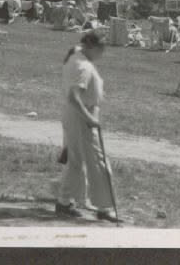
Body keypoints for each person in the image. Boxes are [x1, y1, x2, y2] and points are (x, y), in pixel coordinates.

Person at [56, 32, 117, 221]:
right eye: (101, 48)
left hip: (75, 115)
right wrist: (90, 118)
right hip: (81, 117)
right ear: (92, 47)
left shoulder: (77, 55)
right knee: (98, 162)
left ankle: (64, 202)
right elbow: (74, 97)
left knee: (75, 161)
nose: (103, 53)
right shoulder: (82, 66)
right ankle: (104, 207)